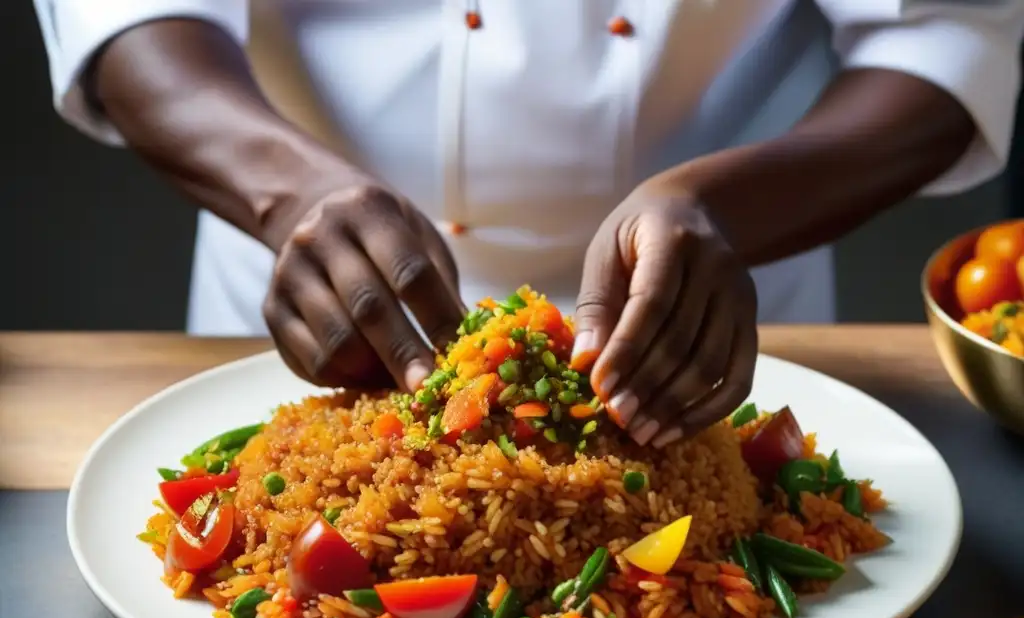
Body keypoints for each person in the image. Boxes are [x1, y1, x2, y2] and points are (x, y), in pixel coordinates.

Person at [34, 1, 1023, 448]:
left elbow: (945, 36)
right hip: (304, 298)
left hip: (713, 331)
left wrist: (723, 206)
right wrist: (289, 195)